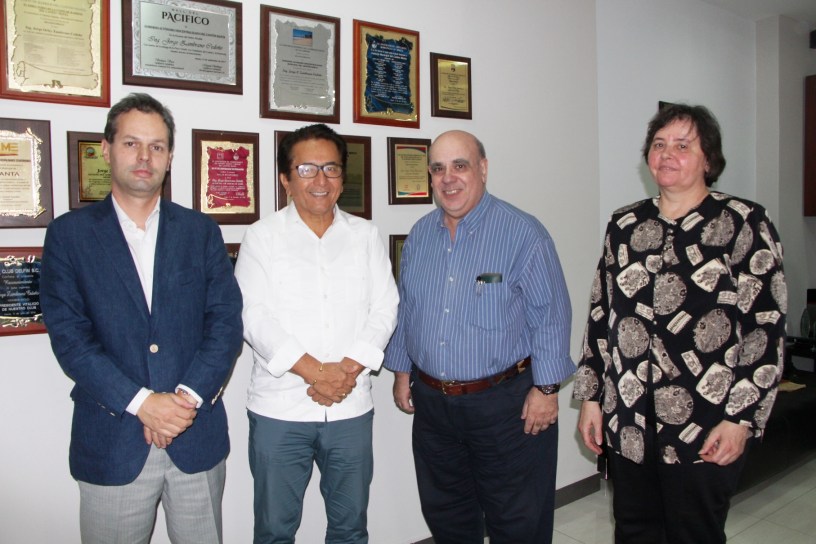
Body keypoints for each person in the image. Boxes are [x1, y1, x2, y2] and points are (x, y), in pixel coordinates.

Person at [573, 104, 787, 544]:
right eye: (659, 144)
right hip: (629, 418)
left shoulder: (743, 223)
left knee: (695, 533)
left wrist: (740, 419)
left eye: (683, 146)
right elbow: (601, 315)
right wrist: (592, 399)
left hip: (707, 421)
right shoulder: (625, 224)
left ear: (708, 159)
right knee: (634, 531)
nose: (667, 154)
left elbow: (765, 330)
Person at [40, 93, 244, 543]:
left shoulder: (201, 232)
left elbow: (225, 323)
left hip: (196, 435)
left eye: (157, 146)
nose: (144, 157)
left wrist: (184, 400)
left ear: (170, 157)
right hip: (113, 439)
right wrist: (144, 404)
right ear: (107, 149)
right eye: (132, 143)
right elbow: (71, 338)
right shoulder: (69, 236)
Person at [383, 130, 575, 544]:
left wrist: (546, 388)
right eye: (438, 168)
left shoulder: (523, 233)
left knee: (517, 518)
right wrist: (401, 372)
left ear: (483, 169)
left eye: (460, 165)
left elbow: (552, 315)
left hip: (506, 406)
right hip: (434, 407)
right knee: (447, 514)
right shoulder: (419, 236)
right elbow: (408, 307)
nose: (448, 178)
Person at [234, 123, 399, 544]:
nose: (321, 181)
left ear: (343, 177)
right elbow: (254, 317)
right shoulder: (261, 236)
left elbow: (385, 308)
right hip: (281, 410)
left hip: (350, 408)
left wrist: (344, 371)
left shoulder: (365, 236)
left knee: (350, 528)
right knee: (274, 530)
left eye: (331, 168)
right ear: (286, 179)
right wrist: (315, 373)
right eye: (306, 169)